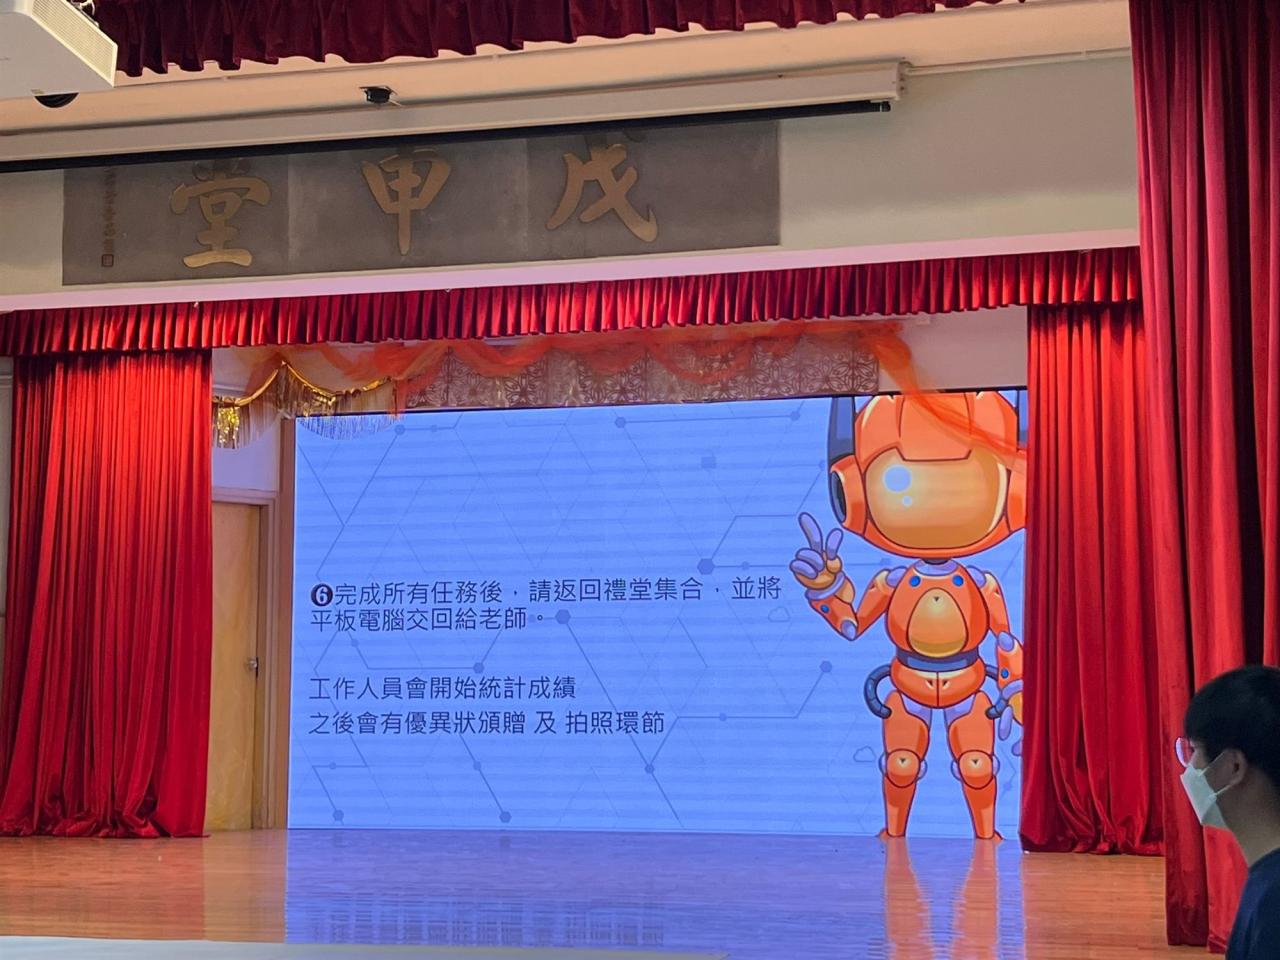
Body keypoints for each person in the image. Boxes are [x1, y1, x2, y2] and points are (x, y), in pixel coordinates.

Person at [1182, 665, 1280, 960]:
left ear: (1233, 766)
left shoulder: (1273, 905)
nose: (1189, 768)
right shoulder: (1267, 879)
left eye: (1193, 750)